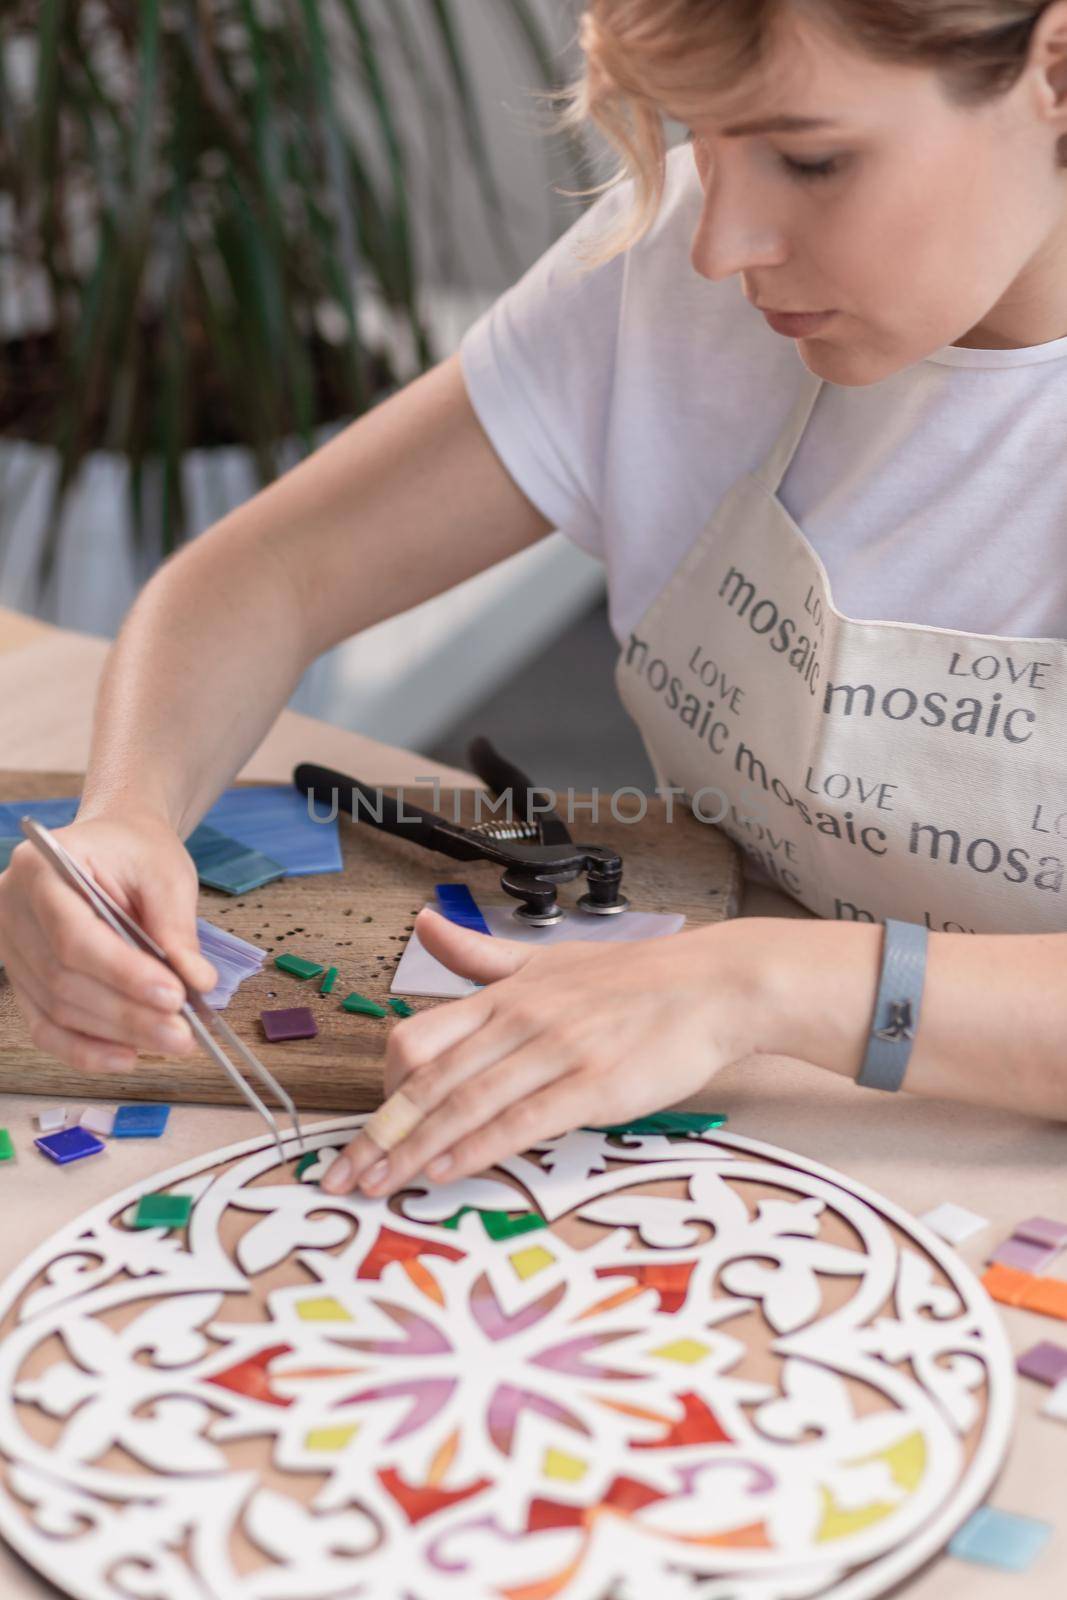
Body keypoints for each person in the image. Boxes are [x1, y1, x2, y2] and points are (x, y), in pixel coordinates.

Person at [3, 0, 1067, 1204]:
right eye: (699, 139)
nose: (723, 243)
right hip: (755, 1122)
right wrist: (129, 815)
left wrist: (752, 983)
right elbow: (264, 576)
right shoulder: (670, 270)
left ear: (1055, 71)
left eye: (812, 159)